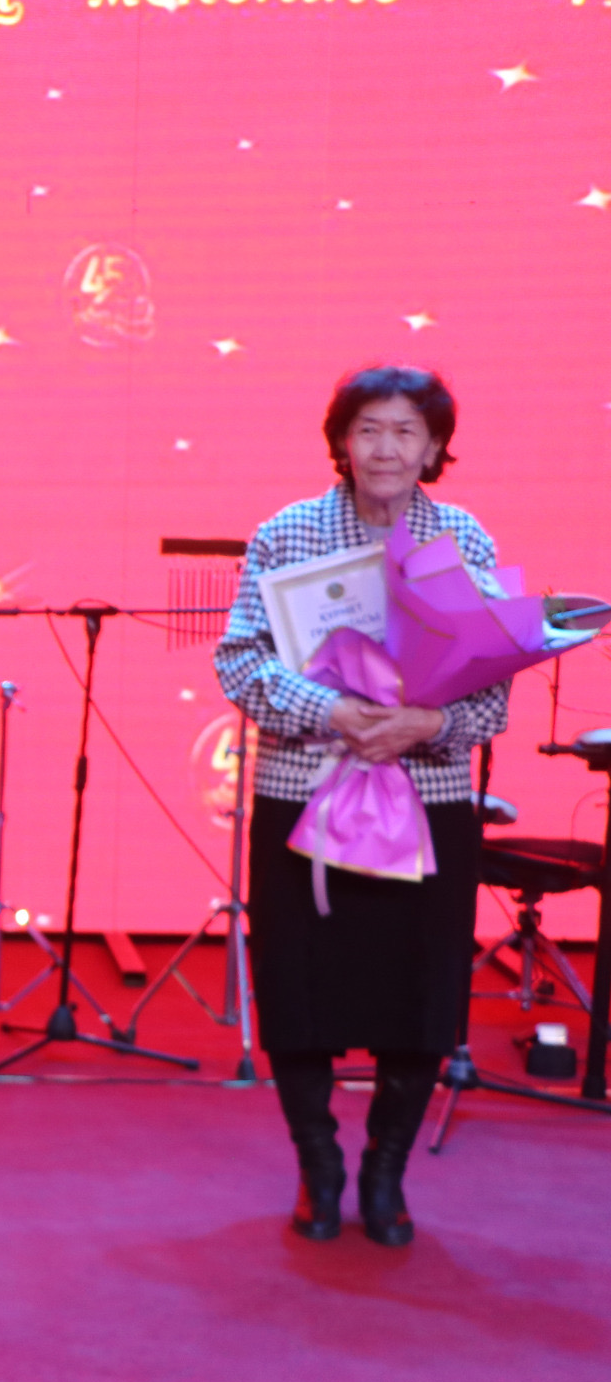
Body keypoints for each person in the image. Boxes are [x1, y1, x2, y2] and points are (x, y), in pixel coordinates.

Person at [216, 365, 506, 1248]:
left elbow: (494, 690)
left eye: (406, 431)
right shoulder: (287, 532)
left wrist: (426, 723)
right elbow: (241, 661)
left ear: (435, 446)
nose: (386, 447)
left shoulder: (462, 538)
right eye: (369, 428)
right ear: (342, 441)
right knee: (298, 988)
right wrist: (331, 710)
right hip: (305, 793)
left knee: (422, 993)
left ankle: (386, 1171)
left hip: (429, 801)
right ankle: (319, 1165)